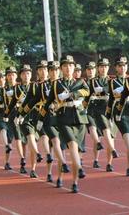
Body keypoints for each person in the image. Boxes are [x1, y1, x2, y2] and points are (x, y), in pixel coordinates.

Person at [42, 55, 89, 193]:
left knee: (78, 151)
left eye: (70, 65)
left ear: (74, 67)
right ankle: (80, 168)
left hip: (80, 118)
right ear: (61, 68)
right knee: (72, 144)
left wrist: (72, 94)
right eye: (65, 66)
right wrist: (45, 114)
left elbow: (87, 92)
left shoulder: (80, 82)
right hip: (64, 118)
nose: (68, 68)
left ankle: (75, 182)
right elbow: (48, 102)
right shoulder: (56, 84)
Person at [107, 56, 129, 177]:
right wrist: (108, 114)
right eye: (120, 66)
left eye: (124, 65)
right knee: (115, 134)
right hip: (118, 108)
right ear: (116, 68)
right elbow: (113, 96)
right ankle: (110, 162)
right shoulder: (112, 81)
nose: (122, 67)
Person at [87, 59, 118, 171]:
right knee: (98, 134)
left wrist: (104, 90)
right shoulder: (92, 81)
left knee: (110, 136)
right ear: (98, 68)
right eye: (101, 67)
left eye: (105, 66)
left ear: (108, 68)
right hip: (95, 109)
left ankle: (109, 163)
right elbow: (87, 94)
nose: (103, 69)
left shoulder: (112, 81)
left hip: (109, 109)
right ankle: (96, 159)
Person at [17, 62, 46, 178]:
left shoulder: (35, 86)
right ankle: (38, 154)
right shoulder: (17, 88)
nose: (26, 76)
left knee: (32, 142)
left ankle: (33, 168)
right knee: (29, 138)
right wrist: (18, 115)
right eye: (24, 73)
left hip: (37, 115)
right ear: (20, 75)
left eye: (28, 73)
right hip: (25, 116)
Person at [7, 64, 34, 174]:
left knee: (25, 141)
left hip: (28, 114)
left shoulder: (32, 86)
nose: (11, 77)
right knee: (18, 137)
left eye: (12, 75)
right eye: (9, 75)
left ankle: (26, 160)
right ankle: (22, 159)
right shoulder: (12, 88)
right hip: (15, 113)